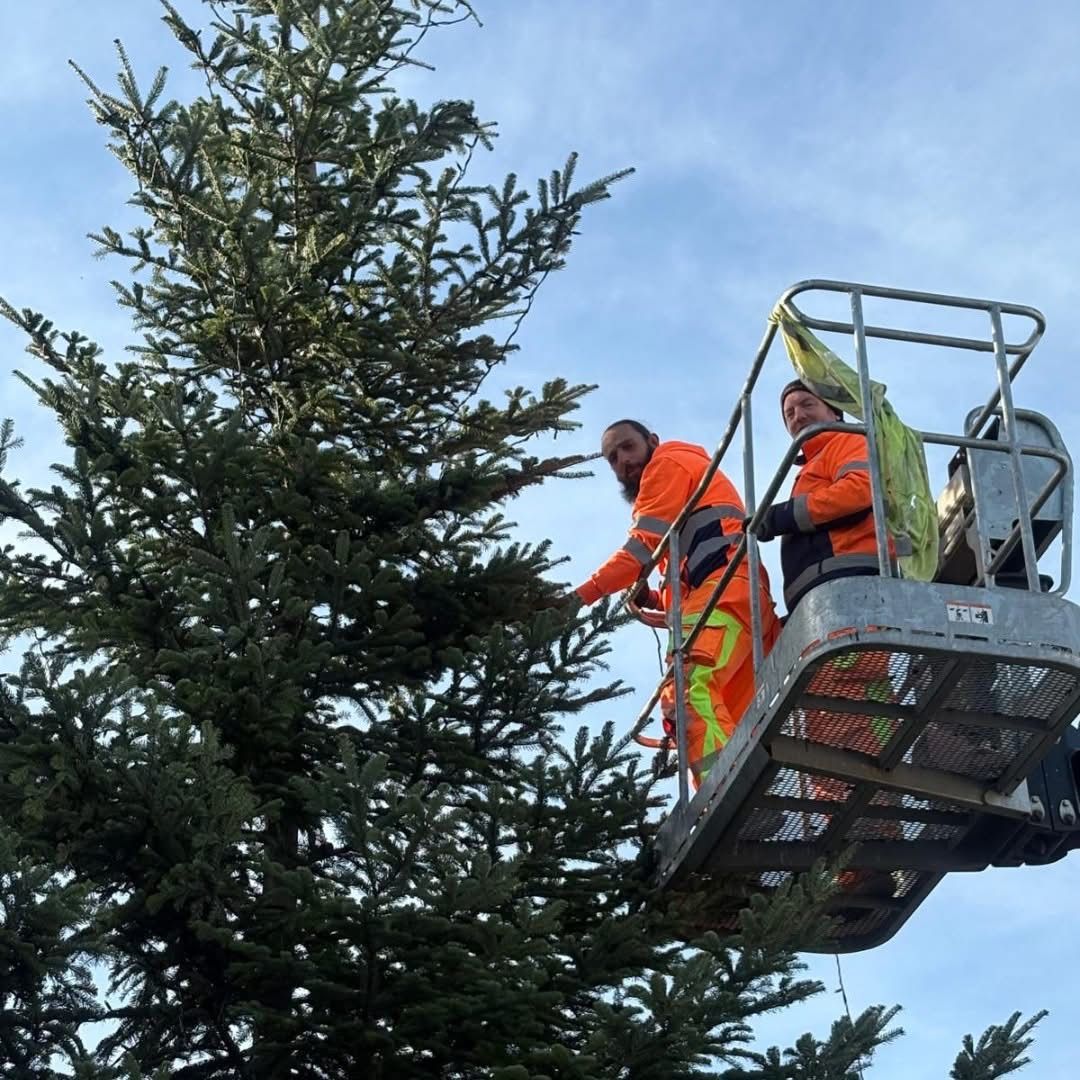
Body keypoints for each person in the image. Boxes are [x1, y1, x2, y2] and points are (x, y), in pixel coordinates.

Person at [574, 420, 781, 786]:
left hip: (727, 595)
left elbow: (641, 547)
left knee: (688, 692)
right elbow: (686, 583)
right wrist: (653, 598)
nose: (623, 460)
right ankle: (742, 797)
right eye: (612, 457)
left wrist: (579, 597)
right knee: (732, 715)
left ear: (652, 441)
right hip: (736, 601)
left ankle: (726, 797)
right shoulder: (682, 489)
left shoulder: (667, 464)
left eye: (628, 447)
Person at [751, 381, 901, 874]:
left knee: (856, 719)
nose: (795, 415)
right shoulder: (809, 466)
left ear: (832, 411)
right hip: (823, 607)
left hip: (852, 596)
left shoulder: (846, 442)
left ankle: (875, 846)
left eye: (805, 405)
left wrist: (783, 517)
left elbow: (859, 491)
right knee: (826, 728)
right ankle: (853, 863)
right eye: (788, 410)